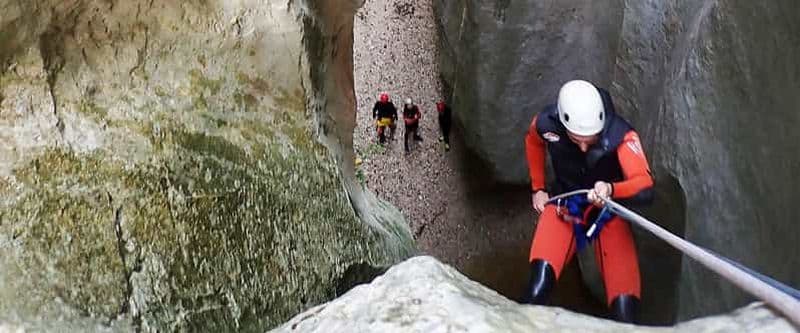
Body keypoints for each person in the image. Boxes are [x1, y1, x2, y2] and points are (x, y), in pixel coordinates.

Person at [523, 79, 654, 323]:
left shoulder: (621, 135)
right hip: (565, 205)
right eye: (576, 139)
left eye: (590, 140)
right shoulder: (547, 123)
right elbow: (533, 140)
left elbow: (645, 186)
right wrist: (538, 188)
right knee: (537, 288)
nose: (583, 148)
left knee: (625, 312)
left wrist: (611, 189)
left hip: (606, 215)